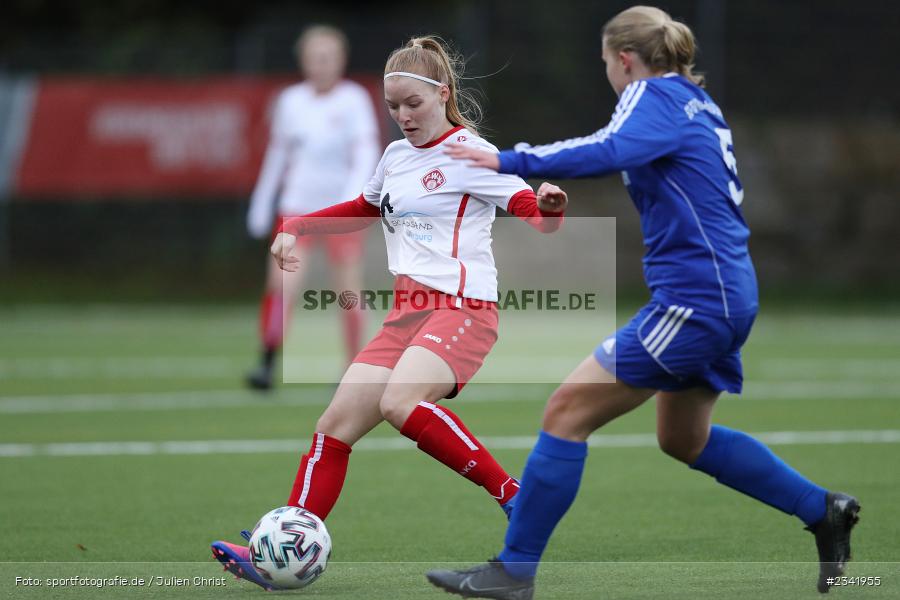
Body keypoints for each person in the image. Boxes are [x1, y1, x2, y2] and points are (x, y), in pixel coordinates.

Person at [426, 6, 859, 599]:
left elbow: (608, 151)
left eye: (605, 61)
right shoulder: (696, 102)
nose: (607, 71)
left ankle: (513, 572)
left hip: (696, 299)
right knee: (684, 439)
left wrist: (510, 159)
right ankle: (823, 509)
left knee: (566, 412)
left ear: (624, 59)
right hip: (728, 290)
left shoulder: (647, 96)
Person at [211, 35, 569, 590]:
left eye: (412, 104)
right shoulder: (396, 156)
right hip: (407, 315)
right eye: (393, 106)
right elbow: (364, 206)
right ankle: (275, 555)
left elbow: (533, 211)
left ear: (442, 94)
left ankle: (515, 499)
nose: (402, 116)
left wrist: (548, 206)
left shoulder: (471, 152)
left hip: (463, 309)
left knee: (400, 401)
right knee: (333, 428)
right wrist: (296, 225)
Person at [245, 25, 380, 390]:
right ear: (303, 62)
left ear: (341, 61)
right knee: (281, 284)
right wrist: (262, 201)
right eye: (313, 58)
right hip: (297, 209)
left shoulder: (354, 100)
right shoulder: (290, 101)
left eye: (327, 58)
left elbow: (365, 154)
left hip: (339, 214)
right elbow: (278, 156)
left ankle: (354, 367)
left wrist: (353, 201)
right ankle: (268, 362)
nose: (320, 65)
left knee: (347, 290)